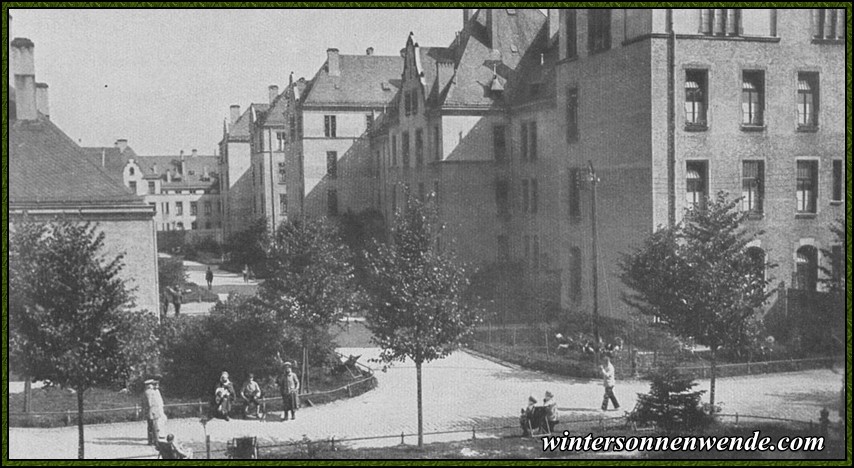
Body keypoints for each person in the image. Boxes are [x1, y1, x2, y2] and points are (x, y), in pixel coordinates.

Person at [142, 379, 167, 444]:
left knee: (152, 426)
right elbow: (150, 403)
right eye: (152, 384)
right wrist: (152, 410)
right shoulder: (149, 392)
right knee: (154, 426)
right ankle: (155, 440)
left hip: (152, 410)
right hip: (153, 411)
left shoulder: (149, 391)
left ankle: (152, 440)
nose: (152, 386)